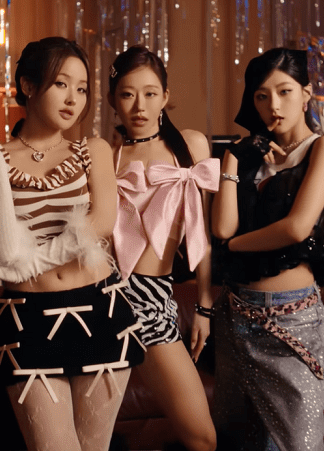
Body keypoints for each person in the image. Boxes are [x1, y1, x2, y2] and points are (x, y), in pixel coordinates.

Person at [0, 36, 144, 450]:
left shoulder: (93, 149)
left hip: (99, 309)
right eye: (61, 84)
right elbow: (0, 246)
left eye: (82, 88)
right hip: (27, 319)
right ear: (27, 85)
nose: (74, 98)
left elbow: (101, 223)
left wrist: (31, 261)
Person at [211, 47, 324, 450]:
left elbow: (297, 227)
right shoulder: (250, 157)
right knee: (238, 441)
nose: (274, 105)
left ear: (306, 94)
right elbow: (222, 226)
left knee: (299, 444)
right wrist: (232, 159)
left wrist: (233, 247)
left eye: (285, 91)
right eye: (262, 96)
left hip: (292, 320)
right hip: (235, 313)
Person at [107, 45, 218, 450]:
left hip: (155, 297)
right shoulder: (106, 156)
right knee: (91, 437)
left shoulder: (190, 146)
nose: (139, 106)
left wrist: (204, 307)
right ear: (113, 100)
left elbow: (203, 234)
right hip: (106, 296)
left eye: (150, 93)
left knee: (202, 438)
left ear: (165, 97)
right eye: (127, 94)